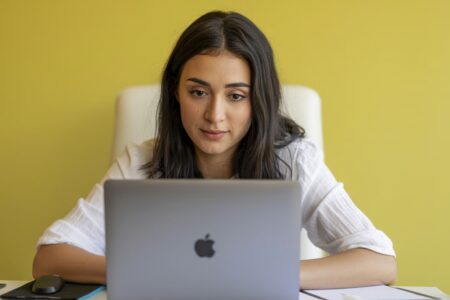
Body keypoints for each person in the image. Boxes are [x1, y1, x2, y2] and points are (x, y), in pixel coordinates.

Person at [32, 11, 397, 289]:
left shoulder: (294, 160)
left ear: (259, 101)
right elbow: (50, 257)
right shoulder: (142, 162)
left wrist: (266, 276)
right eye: (198, 92)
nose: (214, 115)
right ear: (176, 92)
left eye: (236, 96)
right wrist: (158, 272)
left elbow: (380, 261)